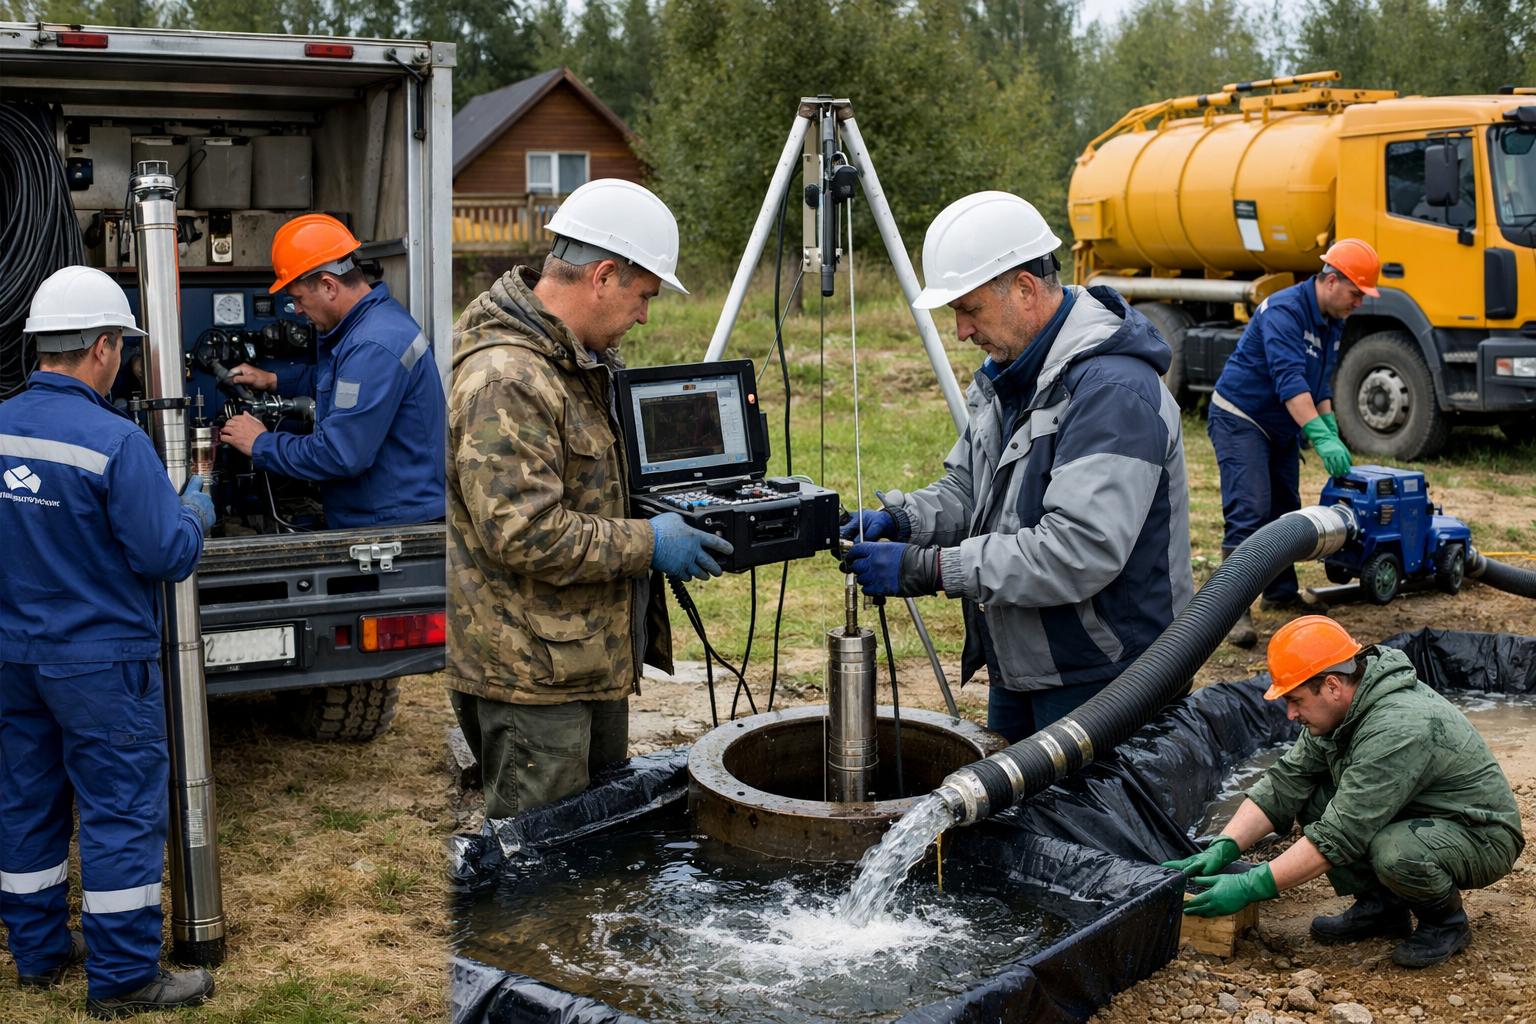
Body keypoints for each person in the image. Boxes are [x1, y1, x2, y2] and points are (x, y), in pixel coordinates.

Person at [843, 191, 1193, 742]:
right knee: (1018, 823)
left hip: (1108, 675)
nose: (960, 331)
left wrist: (931, 568)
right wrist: (906, 519)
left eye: (968, 309)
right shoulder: (1012, 372)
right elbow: (971, 488)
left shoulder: (1113, 391)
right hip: (1029, 662)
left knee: (1084, 828)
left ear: (1025, 290)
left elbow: (1078, 549)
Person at [446, 179, 732, 818]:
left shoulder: (576, 362)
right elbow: (523, 532)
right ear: (603, 276)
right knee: (539, 868)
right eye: (643, 296)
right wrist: (650, 542)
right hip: (530, 679)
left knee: (594, 841)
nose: (645, 315)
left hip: (578, 659)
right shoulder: (508, 378)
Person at [0, 266, 217, 1016]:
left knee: (26, 803)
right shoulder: (117, 443)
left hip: (13, 658)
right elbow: (164, 555)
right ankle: (123, 978)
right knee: (119, 812)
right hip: (99, 665)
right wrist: (195, 509)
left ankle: (37, 956)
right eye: (121, 346)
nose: (122, 358)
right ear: (100, 346)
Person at [1171, 616, 1524, 969]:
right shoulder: (1344, 710)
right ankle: (1381, 908)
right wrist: (1225, 845)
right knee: (1312, 794)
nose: (1291, 713)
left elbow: (1341, 834)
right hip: (1426, 814)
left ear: (1332, 686)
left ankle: (1445, 924)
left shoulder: (1397, 727)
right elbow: (1288, 779)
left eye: (1295, 700)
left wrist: (1251, 886)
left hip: (1480, 835)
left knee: (1396, 851)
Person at [218, 214, 445, 528]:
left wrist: (261, 443)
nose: (296, 310)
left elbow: (340, 454)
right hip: (381, 515)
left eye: (298, 298)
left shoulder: (373, 345)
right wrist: (272, 380)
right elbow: (340, 383)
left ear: (328, 286)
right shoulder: (368, 327)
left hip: (392, 527)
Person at [1207, 239, 1378, 648]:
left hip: (1281, 426)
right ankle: (1232, 611)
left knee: (1284, 510)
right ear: (1332, 280)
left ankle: (1281, 595)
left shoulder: (1332, 319)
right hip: (1241, 417)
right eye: (1356, 292)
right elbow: (1291, 385)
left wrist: (1331, 429)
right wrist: (1320, 437)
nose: (1359, 301)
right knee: (1250, 509)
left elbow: (1318, 388)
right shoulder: (1284, 311)